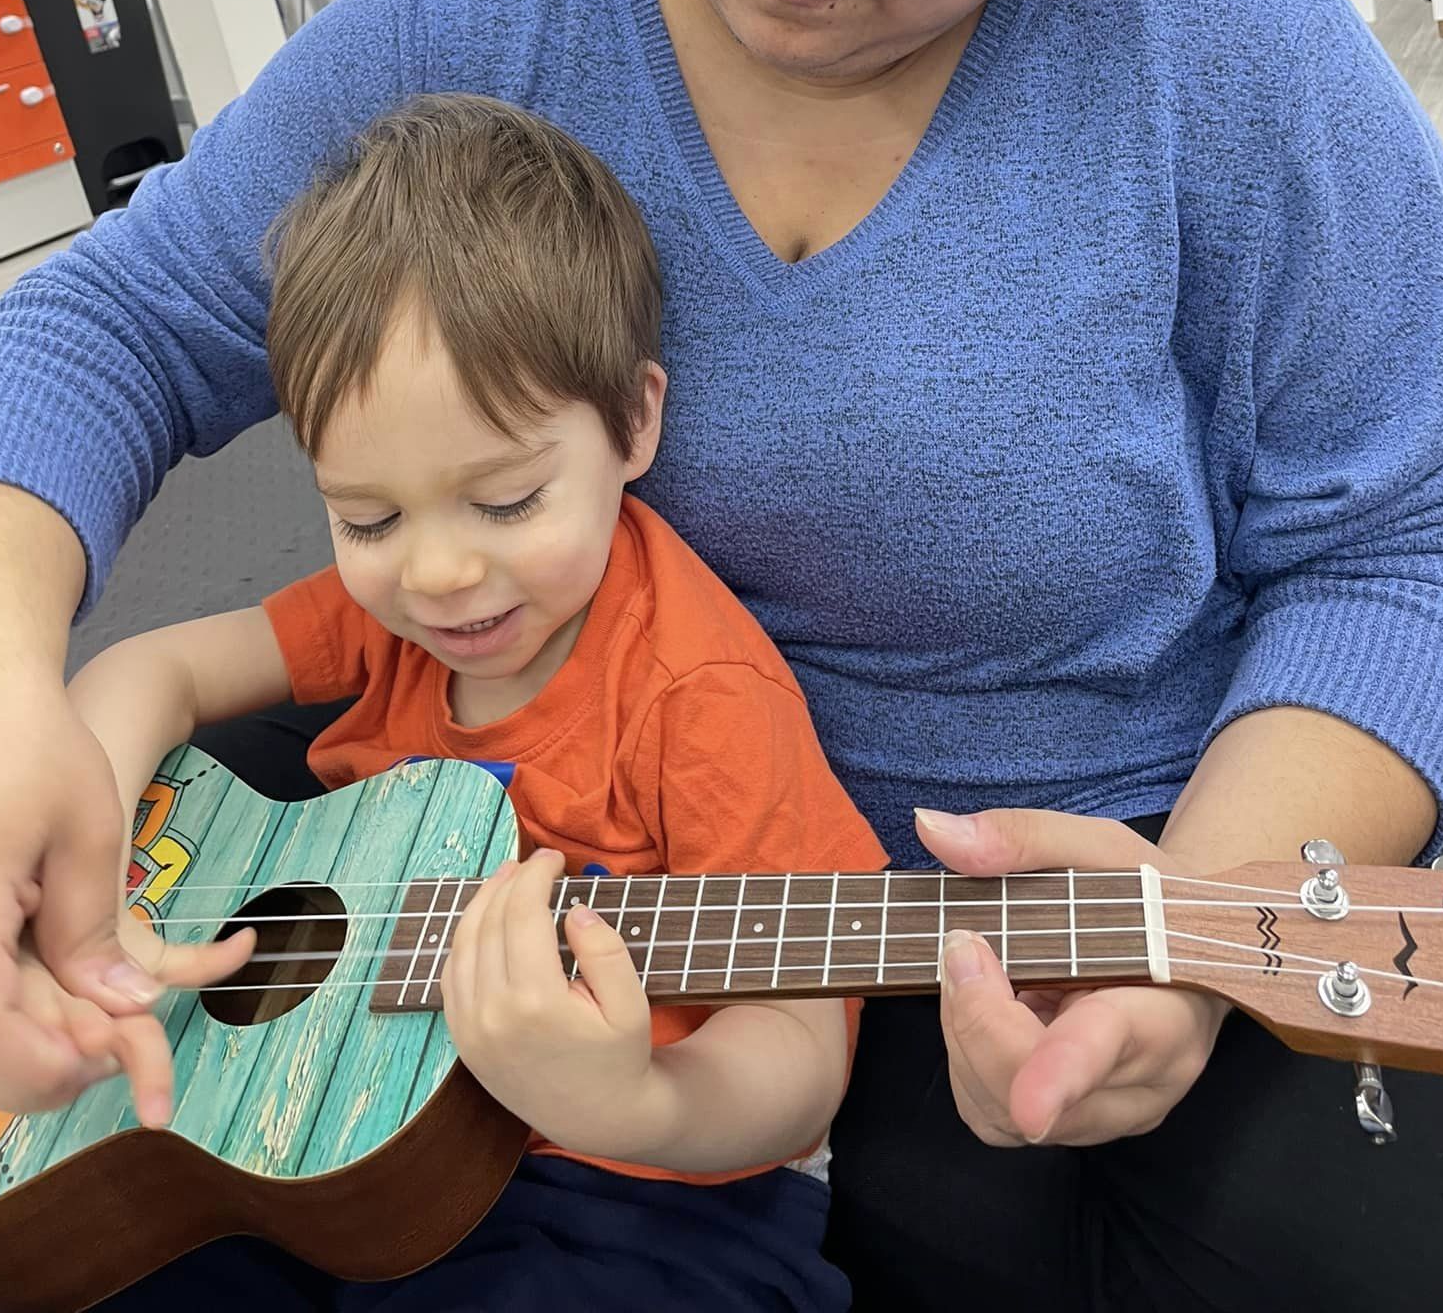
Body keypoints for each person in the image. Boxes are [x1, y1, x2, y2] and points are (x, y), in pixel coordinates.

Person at [0, 0, 1443, 1312]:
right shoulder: (491, 17)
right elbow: (96, 327)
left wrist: (1194, 920)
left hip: (1080, 879)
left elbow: (1409, 545)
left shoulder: (1229, 52)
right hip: (555, 839)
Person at [67, 93, 883, 1308]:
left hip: (639, 1186)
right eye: (368, 518)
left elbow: (802, 1043)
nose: (440, 573)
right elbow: (146, 669)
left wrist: (637, 1099)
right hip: (328, 1116)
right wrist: (88, 864)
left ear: (634, 420)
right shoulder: (392, 617)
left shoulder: (699, 693)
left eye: (505, 501)